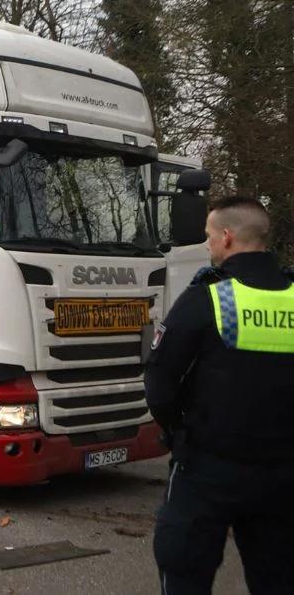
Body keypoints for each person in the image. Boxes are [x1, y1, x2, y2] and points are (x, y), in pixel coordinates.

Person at [145, 196, 294, 594]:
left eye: (210, 237)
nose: (208, 245)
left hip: (207, 468)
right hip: (283, 473)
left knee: (185, 571)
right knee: (278, 577)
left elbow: (160, 381)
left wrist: (180, 429)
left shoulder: (208, 298)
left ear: (227, 238)